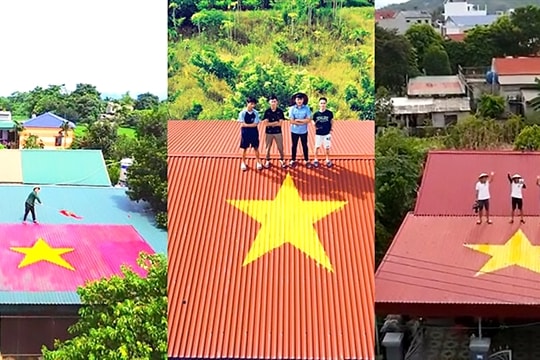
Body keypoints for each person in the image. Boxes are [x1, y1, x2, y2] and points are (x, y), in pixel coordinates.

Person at [238, 97, 263, 171]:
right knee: (244, 148)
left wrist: (247, 125)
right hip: (245, 132)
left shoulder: (256, 113)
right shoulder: (242, 113)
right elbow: (242, 124)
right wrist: (249, 125)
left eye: (253, 104)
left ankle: (258, 161)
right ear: (247, 103)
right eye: (251, 104)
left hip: (254, 132)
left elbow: (255, 124)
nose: (252, 105)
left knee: (256, 147)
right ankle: (243, 162)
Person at [262, 95, 286, 168]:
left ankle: (282, 159)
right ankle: (267, 160)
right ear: (269, 102)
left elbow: (280, 123)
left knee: (280, 147)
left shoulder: (280, 111)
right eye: (272, 101)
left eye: (274, 101)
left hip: (278, 132)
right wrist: (275, 123)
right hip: (268, 132)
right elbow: (265, 124)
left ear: (277, 102)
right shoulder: (267, 112)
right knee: (267, 147)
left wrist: (271, 124)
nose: (273, 103)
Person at [289, 92, 312, 168]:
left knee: (304, 145)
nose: (299, 101)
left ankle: (306, 160)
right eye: (298, 99)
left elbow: (308, 120)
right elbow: (291, 121)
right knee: (294, 145)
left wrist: (298, 120)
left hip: (303, 131)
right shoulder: (292, 109)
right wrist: (303, 121)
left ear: (303, 100)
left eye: (301, 99)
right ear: (295, 100)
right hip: (294, 130)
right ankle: (293, 160)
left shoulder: (306, 108)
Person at [312, 97, 334, 168]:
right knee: (317, 146)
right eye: (321, 103)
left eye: (324, 103)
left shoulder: (329, 113)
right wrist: (314, 125)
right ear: (319, 104)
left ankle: (327, 159)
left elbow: (331, 121)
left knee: (327, 147)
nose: (323, 105)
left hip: (327, 133)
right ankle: (315, 159)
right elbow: (313, 120)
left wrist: (331, 128)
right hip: (318, 134)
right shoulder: (316, 114)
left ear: (326, 104)